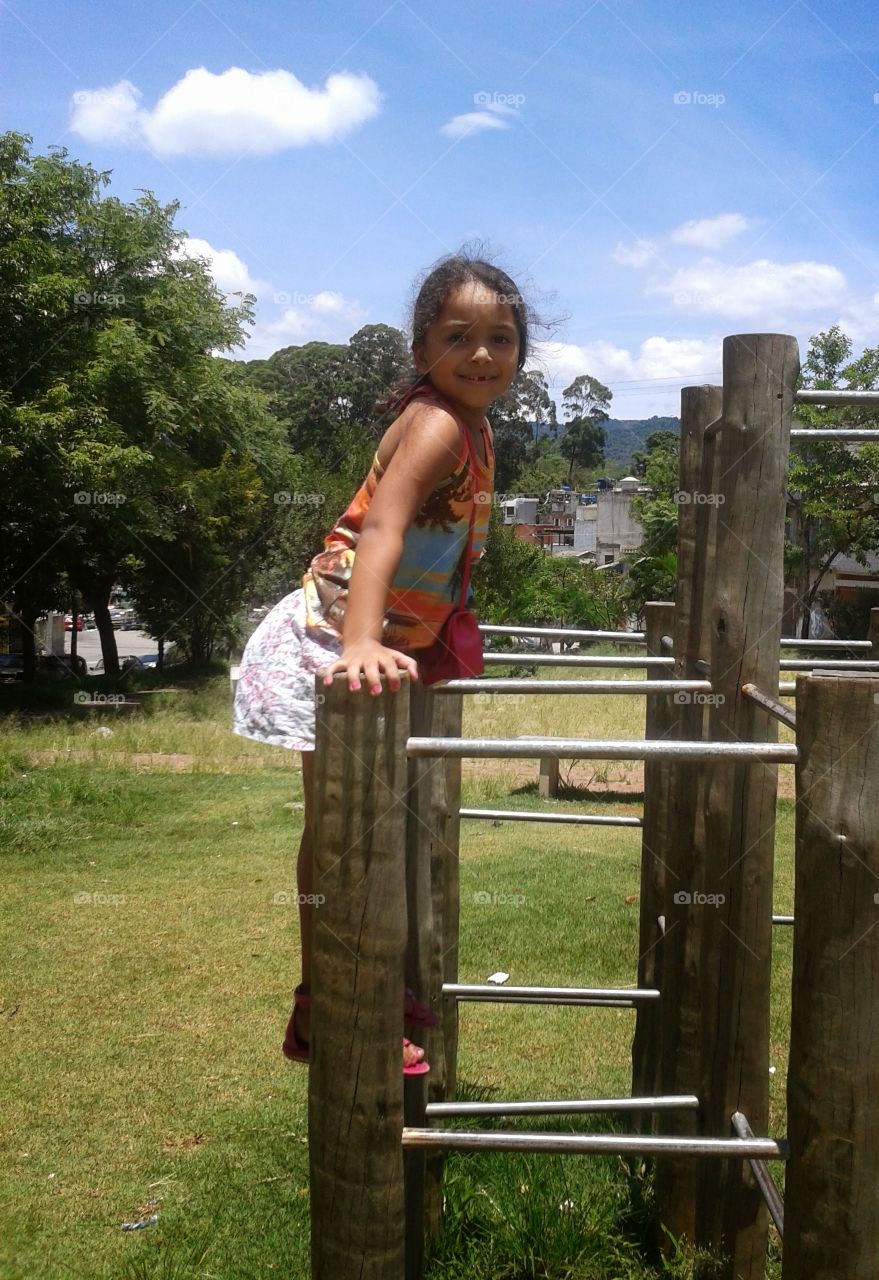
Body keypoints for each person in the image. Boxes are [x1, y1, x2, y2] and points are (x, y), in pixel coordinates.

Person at [233, 252, 532, 1073]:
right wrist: (363, 639)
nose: (481, 354)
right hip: (334, 638)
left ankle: (346, 987)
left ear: (521, 351)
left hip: (380, 642)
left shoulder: (474, 428)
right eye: (458, 336)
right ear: (422, 349)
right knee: (343, 831)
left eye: (500, 338)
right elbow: (383, 532)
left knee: (376, 828)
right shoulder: (438, 424)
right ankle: (334, 1000)